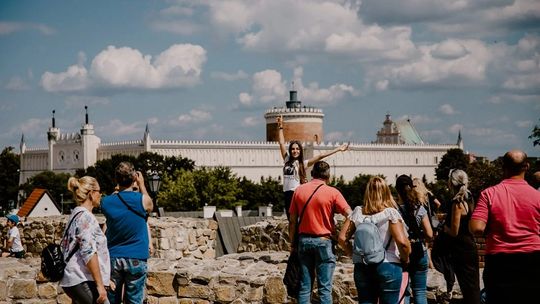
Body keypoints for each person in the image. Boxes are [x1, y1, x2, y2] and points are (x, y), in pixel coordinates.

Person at [470, 150, 540, 304]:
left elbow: (476, 228)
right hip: (533, 258)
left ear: (503, 167)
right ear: (527, 166)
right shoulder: (537, 196)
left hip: (499, 259)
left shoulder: (489, 194)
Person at [338, 176, 411, 304]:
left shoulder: (358, 212)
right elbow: (403, 243)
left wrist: (353, 255)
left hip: (363, 265)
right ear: (386, 192)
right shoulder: (390, 213)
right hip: (388, 264)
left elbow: (342, 238)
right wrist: (405, 259)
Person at [289, 161, 352, 304]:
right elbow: (351, 215)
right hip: (324, 241)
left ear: (312, 174)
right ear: (328, 176)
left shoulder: (299, 190)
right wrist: (341, 236)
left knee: (305, 288)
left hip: (304, 241)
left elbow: (292, 221)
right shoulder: (333, 192)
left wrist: (293, 244)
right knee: (325, 289)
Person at [277, 116, 349, 219]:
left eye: (297, 149)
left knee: (297, 218)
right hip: (287, 193)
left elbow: (320, 156)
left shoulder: (303, 163)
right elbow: (281, 143)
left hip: (296, 193)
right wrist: (280, 127)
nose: (295, 151)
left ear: (300, 151)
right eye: (293, 149)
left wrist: (337, 149)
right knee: (290, 220)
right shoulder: (286, 160)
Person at [101, 162, 153, 304]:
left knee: (112, 300)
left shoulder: (106, 202)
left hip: (113, 256)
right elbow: (150, 205)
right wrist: (141, 184)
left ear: (116, 180)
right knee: (134, 300)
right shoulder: (142, 200)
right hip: (137, 255)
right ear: (134, 178)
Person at [62, 176, 110, 304]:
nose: (101, 195)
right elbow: (89, 253)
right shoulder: (86, 217)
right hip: (81, 278)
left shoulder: (75, 214)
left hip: (74, 278)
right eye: (99, 191)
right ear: (91, 193)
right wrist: (100, 285)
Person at [438, 169, 480, 304]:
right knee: (473, 286)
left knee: (466, 287)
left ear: (451, 182)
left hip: (460, 249)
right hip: (470, 245)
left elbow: (454, 231)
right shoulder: (469, 198)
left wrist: (443, 227)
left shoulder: (457, 202)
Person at [395, 175, 433, 304]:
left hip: (402, 253)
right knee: (420, 291)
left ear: (396, 190)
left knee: (404, 290)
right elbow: (429, 234)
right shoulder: (420, 208)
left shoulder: (393, 210)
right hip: (419, 251)